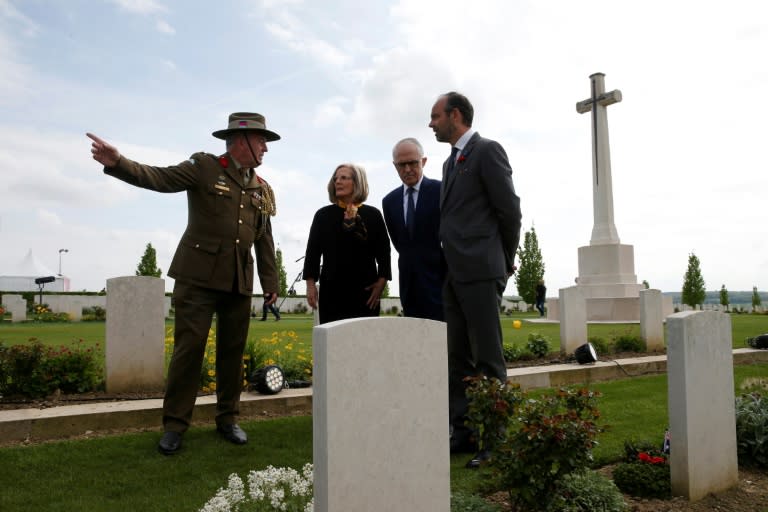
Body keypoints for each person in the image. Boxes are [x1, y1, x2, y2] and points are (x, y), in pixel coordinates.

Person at [87, 112, 281, 455]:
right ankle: (175, 425)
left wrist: (270, 282)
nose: (266, 146)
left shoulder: (261, 188)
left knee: (232, 355)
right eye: (262, 139)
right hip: (197, 278)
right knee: (188, 352)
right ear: (241, 140)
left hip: (239, 280)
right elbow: (160, 178)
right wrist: (119, 163)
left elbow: (264, 237)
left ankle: (228, 419)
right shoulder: (205, 166)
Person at [429, 92, 522, 468]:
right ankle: (463, 431)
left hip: (482, 270)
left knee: (488, 358)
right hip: (453, 272)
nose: (431, 123)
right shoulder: (450, 164)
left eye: (435, 116)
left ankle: (495, 440)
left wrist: (504, 260)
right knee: (457, 357)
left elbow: (509, 211)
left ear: (455, 115)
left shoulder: (487, 151)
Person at [303, 163, 391, 324]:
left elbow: (384, 252)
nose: (337, 181)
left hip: (366, 293)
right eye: (335, 178)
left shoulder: (373, 215)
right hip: (332, 292)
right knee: (333, 345)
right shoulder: (323, 216)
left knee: (364, 342)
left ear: (357, 182)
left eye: (344, 178)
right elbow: (313, 253)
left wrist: (381, 283)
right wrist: (310, 284)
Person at [382, 137, 445, 321]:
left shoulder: (441, 191)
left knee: (444, 345)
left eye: (412, 163)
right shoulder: (389, 201)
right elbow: (400, 244)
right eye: (402, 165)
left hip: (441, 283)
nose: (407, 169)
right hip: (409, 286)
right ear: (395, 166)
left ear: (423, 161)